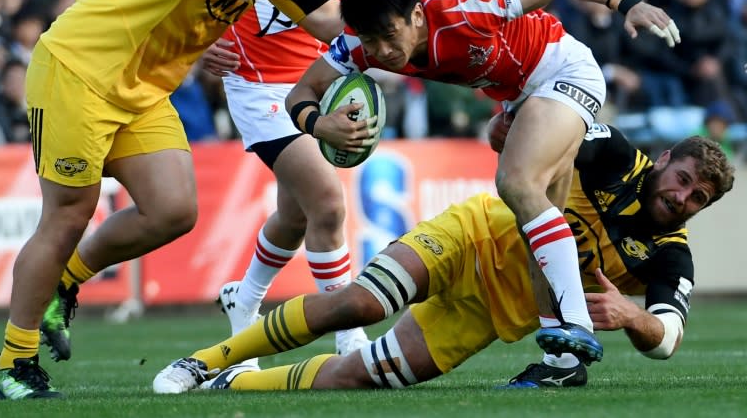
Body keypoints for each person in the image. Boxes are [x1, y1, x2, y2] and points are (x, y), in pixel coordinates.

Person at [0, 0, 368, 400]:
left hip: (141, 88)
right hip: (78, 70)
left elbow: (330, 21)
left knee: (173, 210)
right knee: (69, 213)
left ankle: (65, 281)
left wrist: (419, 19)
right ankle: (13, 363)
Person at [285, 0, 680, 363]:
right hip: (521, 97)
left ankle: (574, 324)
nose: (383, 52)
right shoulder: (358, 43)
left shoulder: (469, 4)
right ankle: (561, 360)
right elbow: (301, 91)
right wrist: (319, 125)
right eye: (371, 42)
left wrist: (626, 2)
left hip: (565, 71)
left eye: (390, 35)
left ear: (416, 15)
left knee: (517, 182)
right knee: (536, 226)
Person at [151, 124, 734, 392]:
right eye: (681, 179)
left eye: (697, 198)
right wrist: (507, 128)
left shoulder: (669, 256)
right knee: (358, 303)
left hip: (489, 316)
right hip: (472, 236)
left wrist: (634, 318)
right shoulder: (616, 158)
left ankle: (230, 386)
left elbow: (668, 339)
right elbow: (544, 128)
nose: (682, 198)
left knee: (361, 376)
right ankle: (202, 361)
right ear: (662, 160)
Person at [198, 0, 372, 362]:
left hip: (312, 79)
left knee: (296, 215)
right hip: (257, 87)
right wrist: (195, 50)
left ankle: (243, 300)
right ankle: (349, 334)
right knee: (326, 199)